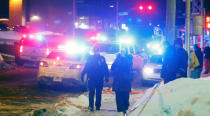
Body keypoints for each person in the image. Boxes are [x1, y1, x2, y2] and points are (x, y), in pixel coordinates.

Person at [81, 47, 109, 112]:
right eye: (95, 51)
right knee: (91, 93)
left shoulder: (102, 59)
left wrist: (106, 76)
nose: (96, 52)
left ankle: (98, 106)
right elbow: (86, 67)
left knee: (99, 93)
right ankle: (91, 106)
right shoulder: (90, 58)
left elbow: (105, 68)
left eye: (97, 51)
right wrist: (83, 75)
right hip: (91, 78)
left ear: (99, 51)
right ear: (93, 51)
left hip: (99, 79)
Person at [111, 48, 133, 115]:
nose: (123, 53)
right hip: (120, 80)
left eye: (124, 52)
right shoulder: (118, 59)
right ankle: (121, 109)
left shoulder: (127, 59)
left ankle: (125, 108)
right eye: (122, 52)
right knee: (119, 95)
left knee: (125, 95)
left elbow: (129, 67)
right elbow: (113, 68)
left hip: (124, 81)